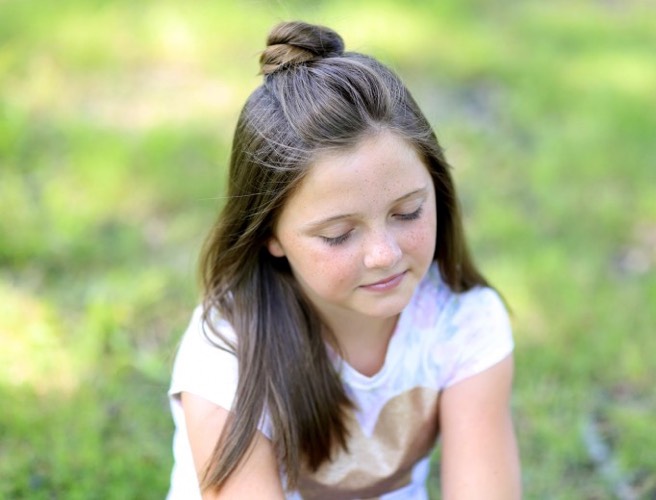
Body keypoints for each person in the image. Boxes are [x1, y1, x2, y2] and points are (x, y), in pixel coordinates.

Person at [167, 20, 520, 499]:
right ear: (271, 234)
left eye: (408, 211)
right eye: (338, 235)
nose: (384, 255)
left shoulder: (462, 322)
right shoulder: (228, 352)